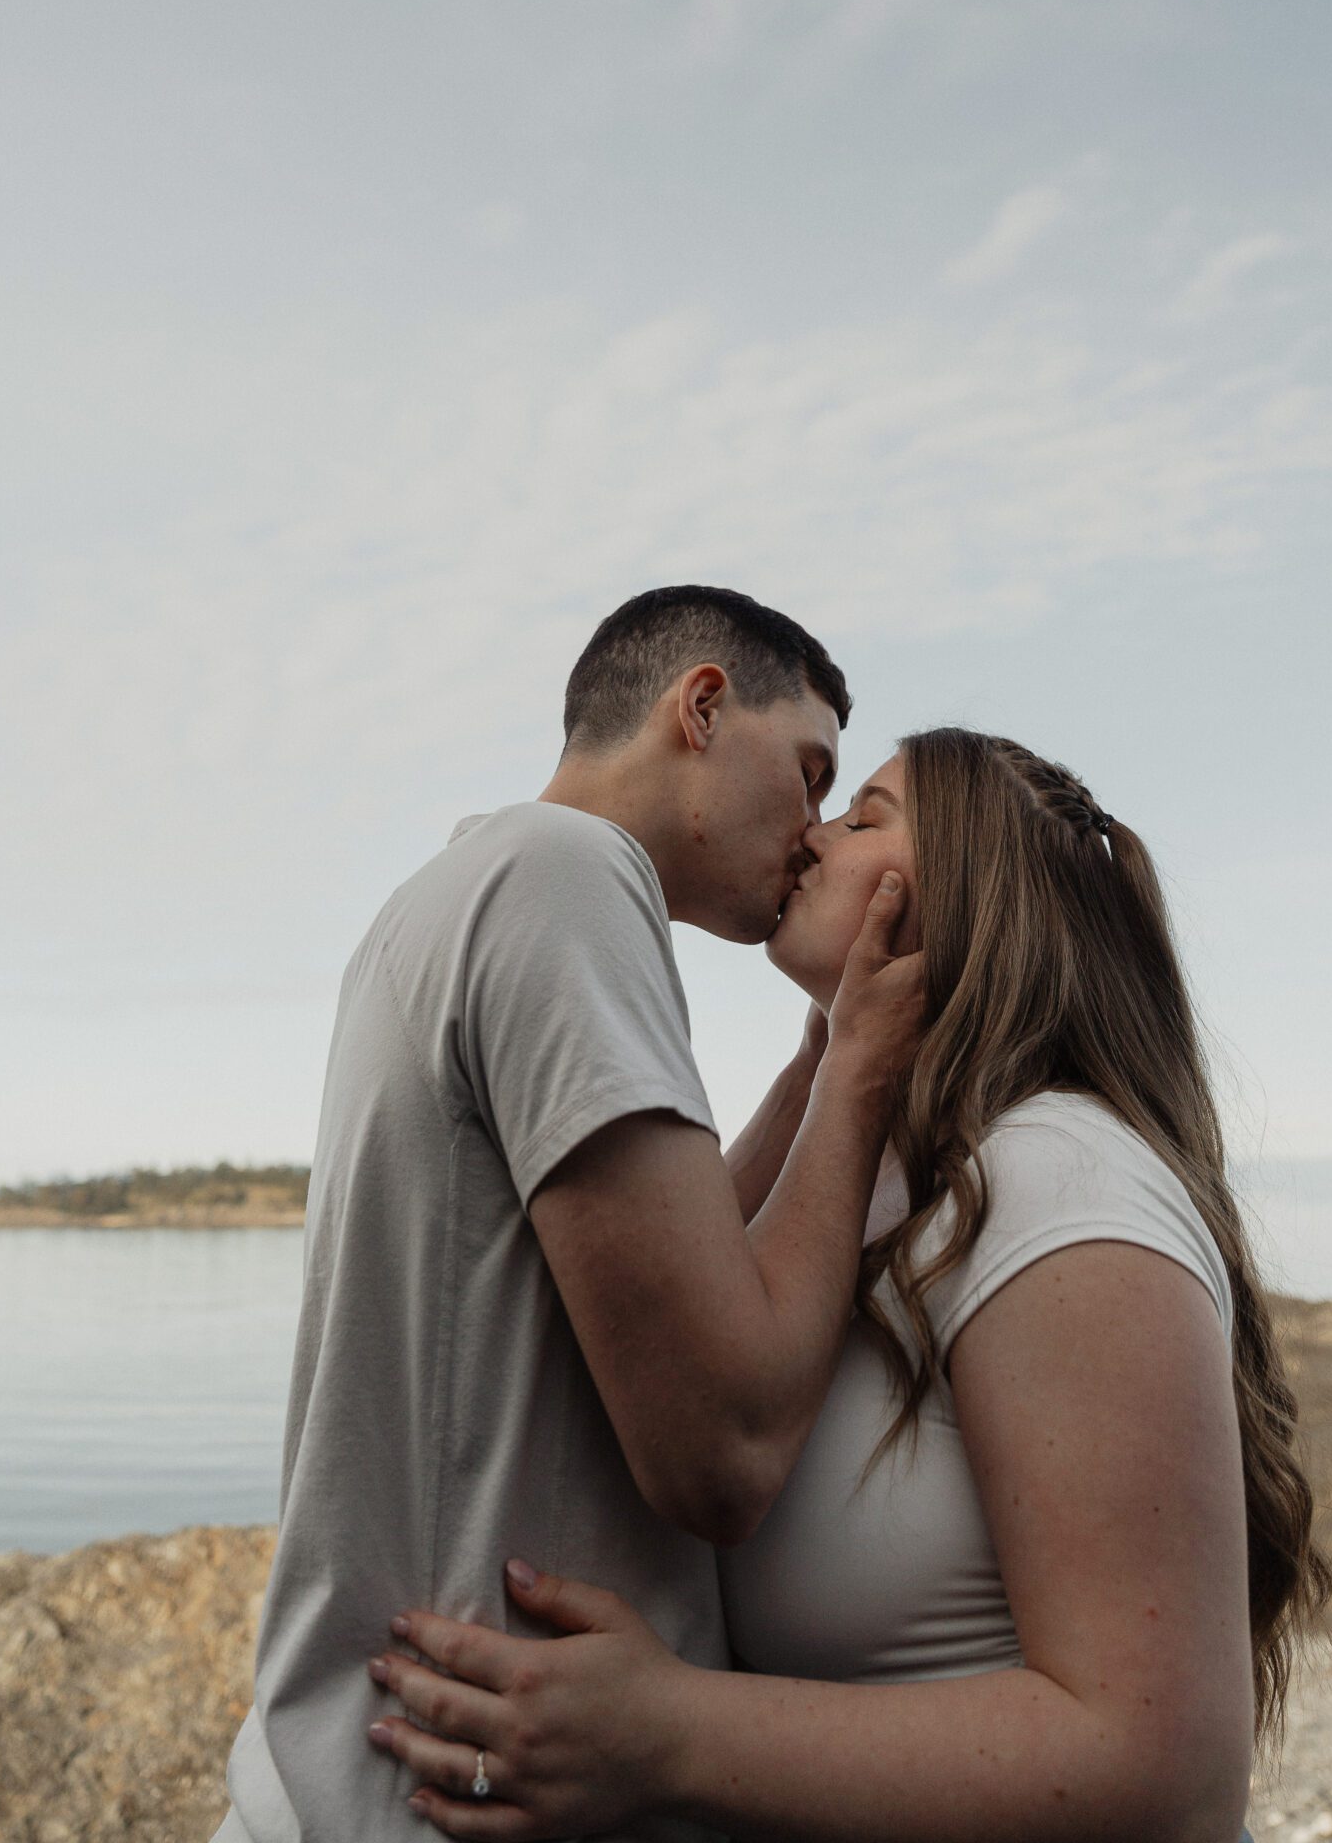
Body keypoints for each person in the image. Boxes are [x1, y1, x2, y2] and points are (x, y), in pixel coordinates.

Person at [362, 728, 1331, 1843]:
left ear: (963, 901)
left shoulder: (1058, 1177)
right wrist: (829, 1066)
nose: (809, 836)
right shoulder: (886, 1184)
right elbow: (666, 1340)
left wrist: (667, 1734)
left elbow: (1165, 1763)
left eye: (863, 815)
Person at [215, 586, 927, 1843]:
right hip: (445, 1796)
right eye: (810, 773)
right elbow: (726, 1449)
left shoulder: (460, 889)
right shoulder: (570, 876)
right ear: (702, 708)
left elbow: (684, 1257)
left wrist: (820, 1059)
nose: (814, 833)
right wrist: (865, 1073)